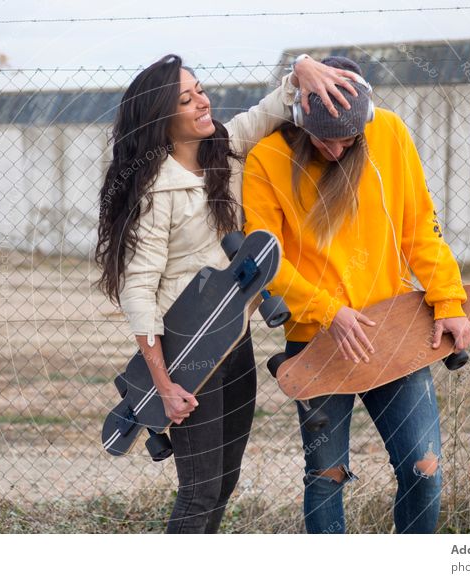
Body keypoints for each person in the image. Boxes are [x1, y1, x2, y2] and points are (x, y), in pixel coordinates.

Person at [95, 53, 360, 533]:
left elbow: (272, 107)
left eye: (200, 89)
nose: (203, 101)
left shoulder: (225, 146)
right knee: (200, 490)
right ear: (160, 116)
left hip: (234, 338)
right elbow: (138, 290)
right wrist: (162, 383)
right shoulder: (155, 190)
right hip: (186, 353)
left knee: (225, 480)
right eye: (187, 98)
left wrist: (302, 66)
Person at [242, 56, 470, 534]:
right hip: (317, 343)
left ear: (366, 119)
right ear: (300, 117)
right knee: (326, 476)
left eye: (346, 139)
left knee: (423, 469)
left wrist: (448, 301)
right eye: (322, 138)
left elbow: (420, 230)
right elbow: (265, 260)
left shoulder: (390, 134)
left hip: (394, 333)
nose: (333, 149)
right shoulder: (266, 159)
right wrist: (330, 311)